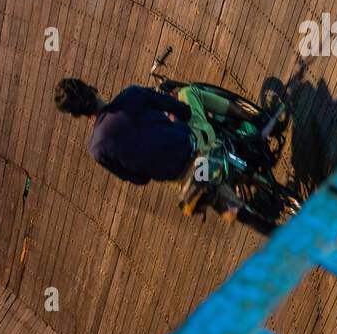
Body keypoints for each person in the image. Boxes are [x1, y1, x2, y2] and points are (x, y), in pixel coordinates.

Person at [54, 78, 260, 224]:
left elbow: (139, 179)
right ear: (91, 88)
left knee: (216, 197)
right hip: (194, 144)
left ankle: (242, 201)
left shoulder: (97, 149)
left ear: (75, 115)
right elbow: (183, 110)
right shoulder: (131, 95)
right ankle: (254, 119)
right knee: (191, 93)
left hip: (181, 178)